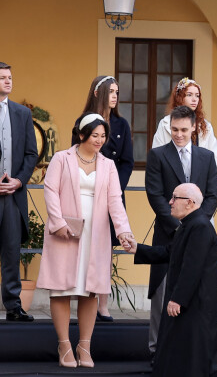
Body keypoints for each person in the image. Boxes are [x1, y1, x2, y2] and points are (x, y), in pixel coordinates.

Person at [37, 113, 133, 368]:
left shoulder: (108, 165)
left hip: (96, 232)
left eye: (103, 136)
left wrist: (123, 231)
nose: (100, 140)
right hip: (65, 232)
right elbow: (50, 191)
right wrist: (57, 223)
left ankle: (85, 345)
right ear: (81, 135)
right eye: (95, 135)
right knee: (62, 288)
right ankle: (65, 345)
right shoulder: (61, 158)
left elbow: (115, 201)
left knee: (90, 290)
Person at [145, 105, 217, 358]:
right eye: (174, 129)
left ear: (193, 129)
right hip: (168, 233)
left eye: (184, 130)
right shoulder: (157, 155)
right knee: (163, 295)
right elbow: (155, 195)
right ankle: (158, 352)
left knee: (194, 291)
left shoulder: (206, 157)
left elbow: (212, 195)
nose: (179, 134)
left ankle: (189, 352)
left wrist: (196, 224)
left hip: (198, 235)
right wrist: (179, 227)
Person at [125, 184, 217, 377]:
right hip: (189, 301)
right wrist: (138, 249)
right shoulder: (189, 225)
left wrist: (178, 299)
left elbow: (192, 268)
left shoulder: (200, 227)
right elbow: (169, 252)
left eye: (175, 197)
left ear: (190, 203)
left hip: (195, 303)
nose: (170, 201)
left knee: (192, 356)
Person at [79, 75, 134, 322]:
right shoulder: (83, 123)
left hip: (112, 195)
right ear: (97, 93)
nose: (115, 96)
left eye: (116, 92)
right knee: (83, 246)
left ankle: (102, 304)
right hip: (86, 193)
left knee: (106, 250)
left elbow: (127, 162)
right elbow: (77, 157)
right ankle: (82, 298)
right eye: (111, 91)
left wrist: (114, 187)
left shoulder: (122, 125)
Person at [0, 62, 38, 321]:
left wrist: (19, 181)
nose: (8, 81)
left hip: (13, 195)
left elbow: (31, 154)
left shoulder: (22, 114)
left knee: (12, 251)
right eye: (3, 78)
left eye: (10, 77)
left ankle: (13, 306)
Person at [153, 77, 217, 180]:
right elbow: (157, 158)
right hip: (172, 184)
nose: (194, 99)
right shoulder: (165, 124)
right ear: (180, 98)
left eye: (197, 95)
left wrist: (206, 187)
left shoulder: (206, 126)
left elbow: (215, 162)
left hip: (199, 186)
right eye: (189, 95)